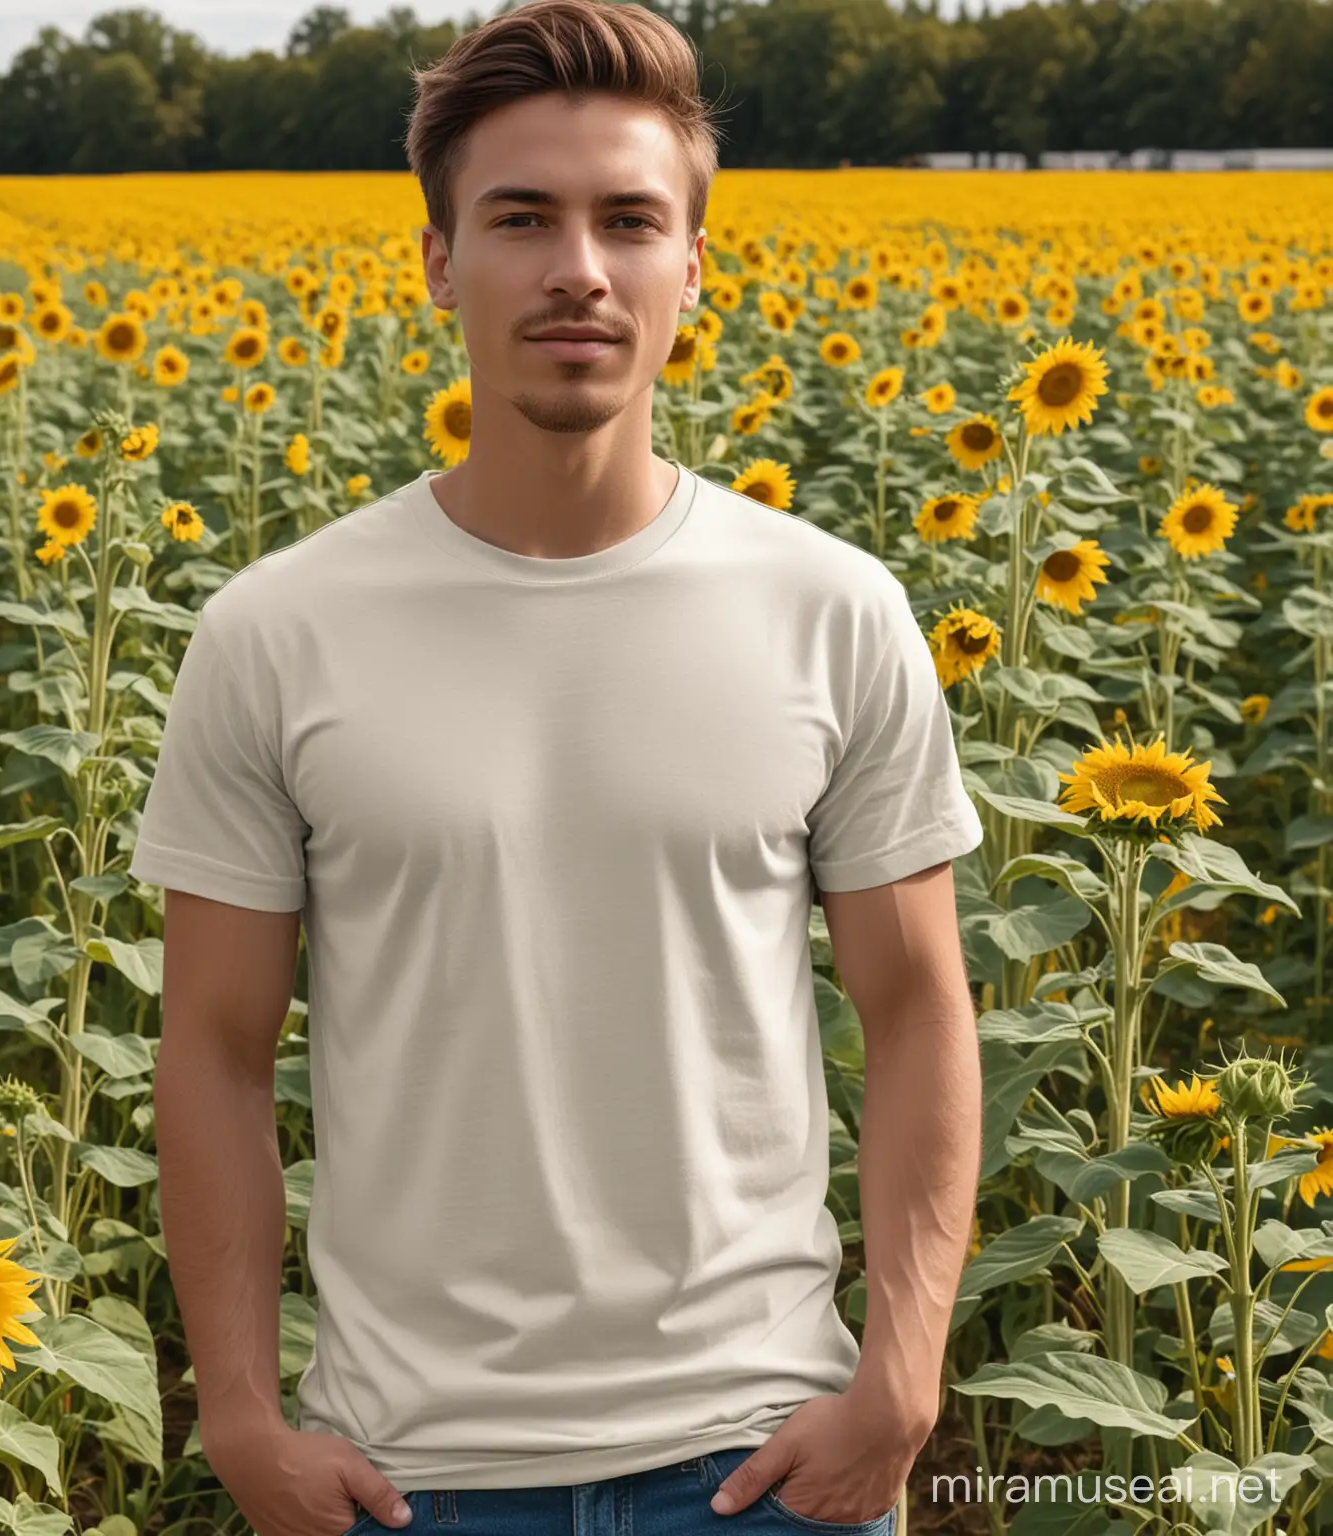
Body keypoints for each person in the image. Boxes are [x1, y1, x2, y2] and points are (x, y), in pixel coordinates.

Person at [133, 2, 986, 1534]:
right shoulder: (278, 632)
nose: (577, 268)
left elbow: (918, 1001)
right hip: (409, 1479)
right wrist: (244, 1418)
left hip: (765, 1461)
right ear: (440, 262)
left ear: (692, 266)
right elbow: (211, 1047)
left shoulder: (832, 609)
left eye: (629, 221)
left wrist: (904, 1377)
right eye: (521, 218)